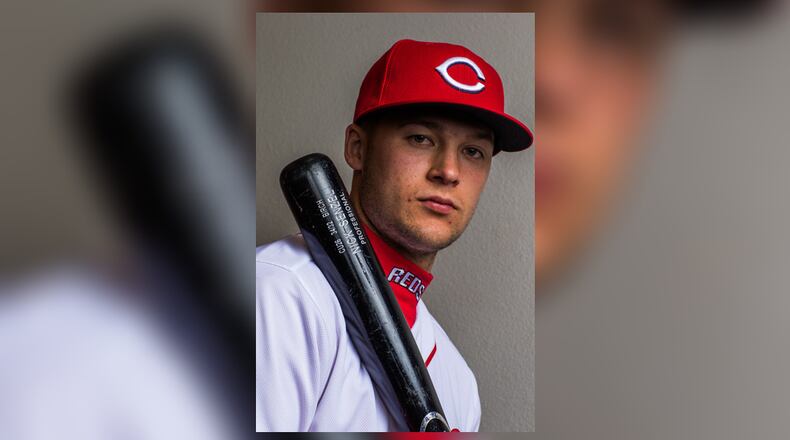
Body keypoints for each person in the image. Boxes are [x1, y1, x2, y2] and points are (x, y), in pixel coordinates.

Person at [256, 39, 533, 432]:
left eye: (473, 151)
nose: (449, 171)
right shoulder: (280, 294)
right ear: (357, 148)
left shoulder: (459, 386)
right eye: (421, 138)